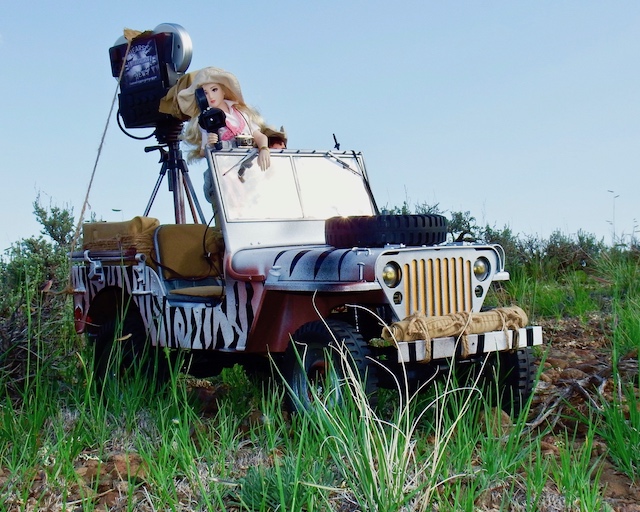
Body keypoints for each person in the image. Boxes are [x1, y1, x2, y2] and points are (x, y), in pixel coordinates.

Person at [178, 67, 270, 171]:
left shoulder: (241, 113)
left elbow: (259, 136)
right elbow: (203, 152)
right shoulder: (207, 120)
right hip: (225, 171)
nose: (211, 96)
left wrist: (264, 149)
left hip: (249, 170)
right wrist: (210, 144)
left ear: (223, 91)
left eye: (214, 90)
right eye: (205, 93)